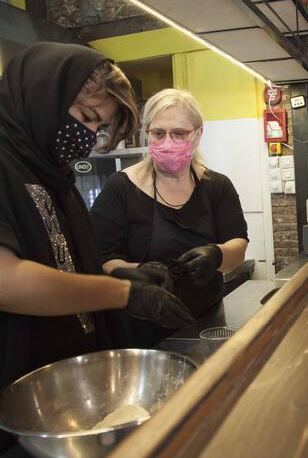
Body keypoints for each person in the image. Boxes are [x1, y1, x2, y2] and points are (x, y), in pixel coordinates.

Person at [0, 43, 194, 451]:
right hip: (18, 403)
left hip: (68, 393)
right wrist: (121, 293)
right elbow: (8, 281)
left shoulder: (53, 176)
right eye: (86, 117)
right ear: (42, 92)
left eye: (96, 127)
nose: (87, 135)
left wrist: (118, 273)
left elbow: (64, 264)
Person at [90, 89, 249, 347]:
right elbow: (102, 259)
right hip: (139, 331)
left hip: (205, 326)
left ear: (197, 135)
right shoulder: (121, 189)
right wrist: (138, 272)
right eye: (158, 133)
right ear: (147, 133)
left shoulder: (217, 187)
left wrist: (216, 255)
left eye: (179, 133)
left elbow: (238, 247)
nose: (168, 141)